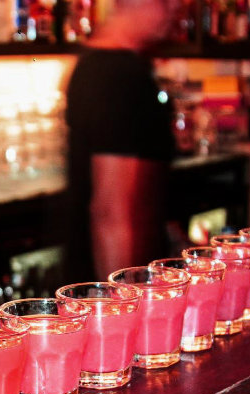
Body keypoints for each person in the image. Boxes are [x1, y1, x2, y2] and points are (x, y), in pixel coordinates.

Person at [64, 0, 178, 279]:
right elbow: (110, 214)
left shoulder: (106, 65)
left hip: (126, 280)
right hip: (118, 286)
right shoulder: (116, 75)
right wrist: (123, 298)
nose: (177, 7)